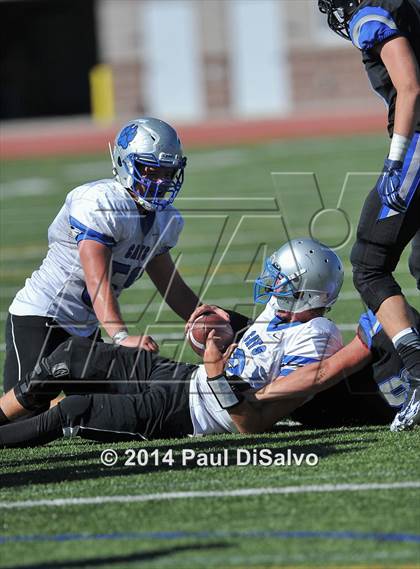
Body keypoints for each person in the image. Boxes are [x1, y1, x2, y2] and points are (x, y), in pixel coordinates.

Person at [0, 238, 344, 446]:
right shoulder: (279, 311)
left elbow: (255, 418)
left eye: (283, 282)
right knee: (73, 357)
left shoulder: (317, 337)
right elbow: (255, 349)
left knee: (75, 411)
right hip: (184, 378)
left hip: (189, 414)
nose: (273, 287)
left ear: (307, 293)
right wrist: (222, 334)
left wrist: (216, 374)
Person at [3, 117, 204, 394]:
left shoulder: (164, 220)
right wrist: (120, 337)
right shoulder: (100, 202)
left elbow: (173, 287)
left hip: (84, 330)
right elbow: (98, 281)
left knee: (110, 416)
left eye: (167, 173)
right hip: (41, 318)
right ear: (125, 163)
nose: (160, 181)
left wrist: (204, 318)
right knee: (24, 414)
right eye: (150, 170)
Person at [318, 0, 420, 428]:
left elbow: (411, 86)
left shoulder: (370, 13)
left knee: (369, 264)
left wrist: (397, 160)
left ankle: (417, 374)